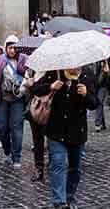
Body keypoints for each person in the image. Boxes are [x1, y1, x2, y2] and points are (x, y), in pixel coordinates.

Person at [31, 64, 98, 209]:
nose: (74, 67)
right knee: (58, 163)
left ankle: (69, 197)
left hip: (77, 131)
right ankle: (59, 201)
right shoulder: (54, 72)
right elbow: (35, 89)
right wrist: (51, 87)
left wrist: (86, 94)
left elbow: (94, 104)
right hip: (56, 129)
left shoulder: (87, 76)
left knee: (75, 168)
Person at [0, 35, 28, 167]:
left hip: (18, 99)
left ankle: (16, 157)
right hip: (2, 99)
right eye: (10, 47)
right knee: (2, 126)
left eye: (14, 48)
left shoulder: (24, 60)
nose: (12, 50)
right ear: (6, 48)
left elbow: (29, 76)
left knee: (16, 127)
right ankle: (7, 149)